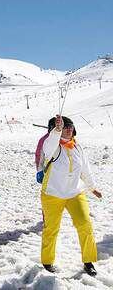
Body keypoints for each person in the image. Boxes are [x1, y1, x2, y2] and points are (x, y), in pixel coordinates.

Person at [40, 115, 102, 276]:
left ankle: (88, 262)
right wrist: (56, 130)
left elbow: (85, 169)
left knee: (85, 225)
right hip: (53, 194)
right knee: (51, 229)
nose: (68, 129)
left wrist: (92, 187)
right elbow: (49, 144)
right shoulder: (52, 147)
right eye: (65, 127)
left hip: (75, 192)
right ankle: (47, 262)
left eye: (70, 126)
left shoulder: (77, 147)